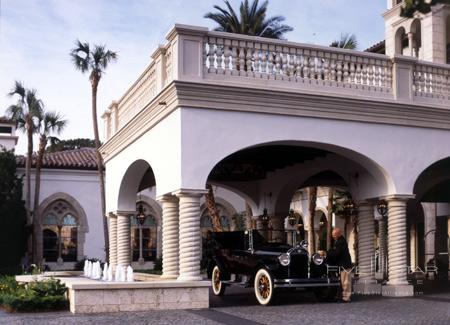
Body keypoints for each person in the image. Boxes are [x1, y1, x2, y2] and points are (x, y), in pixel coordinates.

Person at [320, 227, 353, 302]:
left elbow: (337, 253)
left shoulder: (341, 242)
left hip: (345, 265)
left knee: (346, 282)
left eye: (334, 234)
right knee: (343, 281)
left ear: (339, 234)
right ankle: (343, 297)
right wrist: (327, 253)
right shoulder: (338, 241)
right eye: (333, 234)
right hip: (343, 264)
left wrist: (326, 254)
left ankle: (346, 298)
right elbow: (334, 251)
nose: (333, 236)